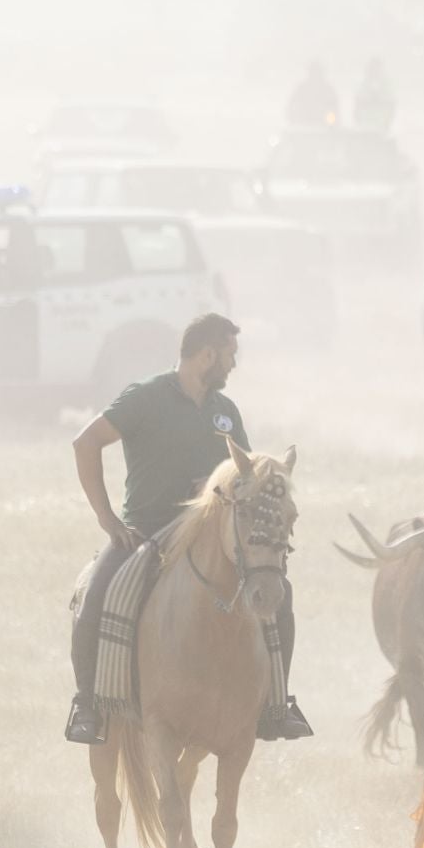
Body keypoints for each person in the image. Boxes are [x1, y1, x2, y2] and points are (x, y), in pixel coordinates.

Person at [65, 312, 312, 745]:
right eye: (230, 355)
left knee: (279, 593)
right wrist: (109, 520)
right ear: (207, 355)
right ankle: (87, 705)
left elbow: (247, 478)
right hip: (146, 532)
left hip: (212, 534)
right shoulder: (145, 397)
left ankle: (277, 704)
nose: (234, 365)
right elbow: (85, 443)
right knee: (97, 595)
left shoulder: (225, 411)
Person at [286, 61, 339, 129]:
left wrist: (331, 121)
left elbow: (334, 108)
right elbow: (292, 107)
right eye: (313, 72)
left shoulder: (328, 91)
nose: (315, 75)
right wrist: (296, 119)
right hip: (302, 126)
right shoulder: (301, 90)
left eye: (317, 72)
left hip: (324, 126)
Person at [354, 59, 396, 133]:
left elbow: (391, 105)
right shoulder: (363, 86)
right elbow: (357, 104)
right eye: (372, 69)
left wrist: (387, 122)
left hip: (381, 126)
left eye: (376, 69)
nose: (374, 72)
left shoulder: (386, 86)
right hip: (364, 126)